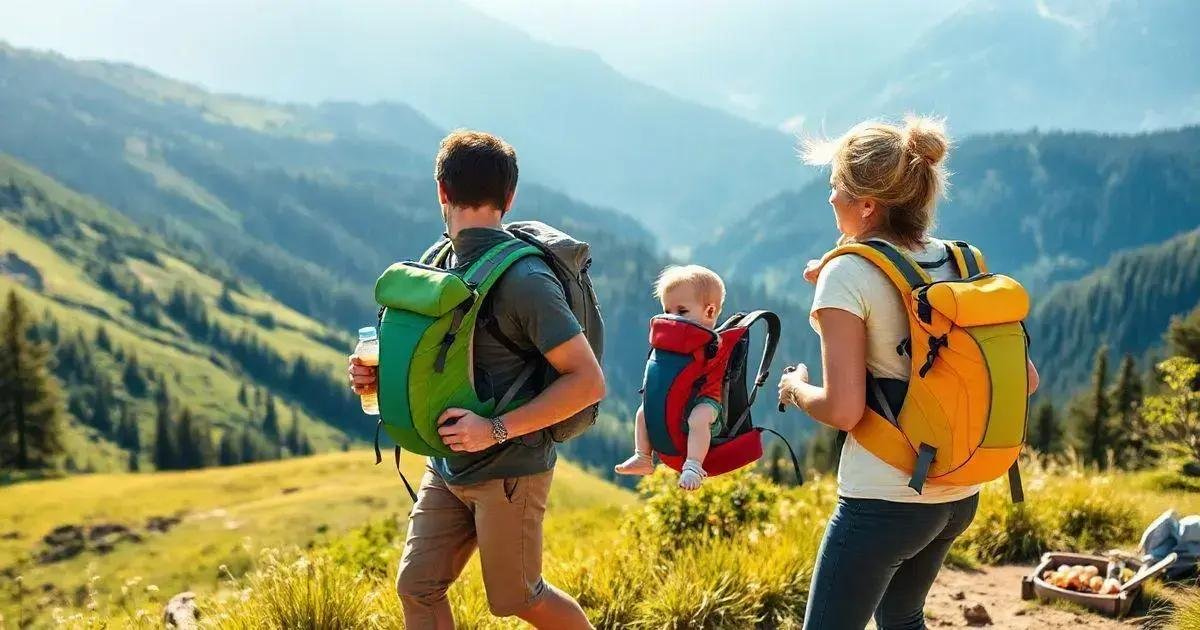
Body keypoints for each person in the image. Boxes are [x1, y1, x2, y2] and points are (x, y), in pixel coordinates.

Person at [776, 116, 1040, 630]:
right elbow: (1024, 380)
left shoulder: (847, 274)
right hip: (959, 491)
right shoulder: (959, 261)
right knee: (901, 617)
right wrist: (838, 264)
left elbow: (843, 409)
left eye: (835, 187)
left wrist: (795, 388)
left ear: (867, 205)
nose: (830, 198)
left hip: (885, 499)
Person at [348, 130, 604, 630]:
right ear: (509, 198)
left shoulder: (526, 281)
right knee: (417, 587)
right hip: (446, 464)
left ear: (440, 189)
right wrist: (372, 375)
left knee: (517, 598)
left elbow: (588, 382)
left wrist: (495, 429)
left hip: (509, 467)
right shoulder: (438, 261)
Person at [614, 265, 726, 490]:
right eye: (667, 311)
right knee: (643, 412)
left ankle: (694, 465)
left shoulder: (712, 341)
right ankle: (643, 456)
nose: (672, 318)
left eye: (682, 311)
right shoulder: (671, 339)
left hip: (706, 402)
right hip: (676, 399)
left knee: (698, 418)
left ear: (710, 312)